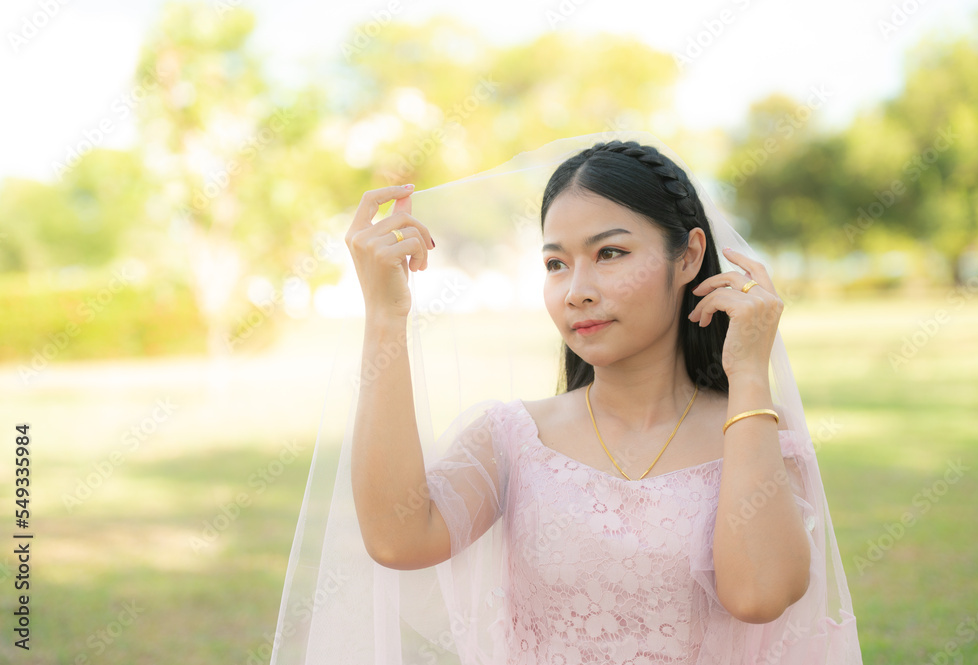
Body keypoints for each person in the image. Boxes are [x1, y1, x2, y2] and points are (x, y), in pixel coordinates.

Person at [267, 132, 863, 664]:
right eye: (556, 263)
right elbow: (398, 540)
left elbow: (758, 596)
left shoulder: (755, 435)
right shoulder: (514, 439)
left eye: (610, 253)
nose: (576, 291)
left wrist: (750, 374)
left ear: (687, 256)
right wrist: (386, 315)